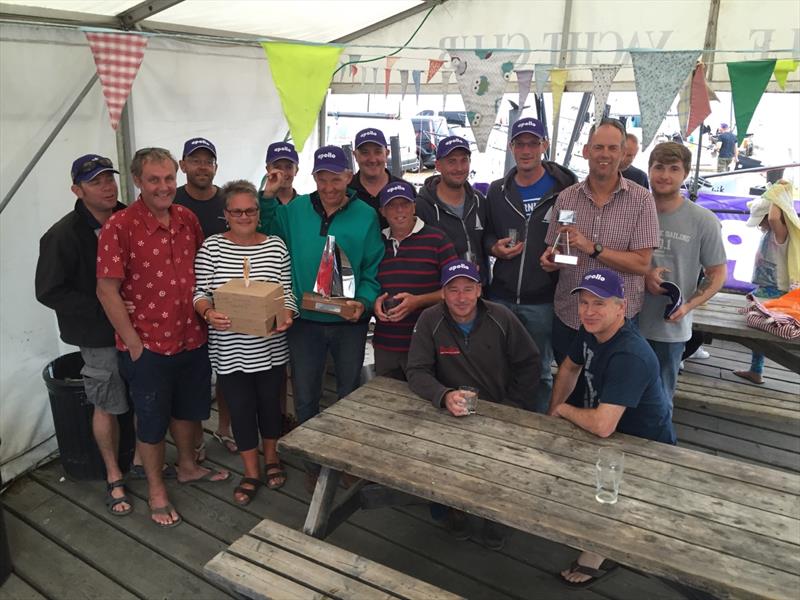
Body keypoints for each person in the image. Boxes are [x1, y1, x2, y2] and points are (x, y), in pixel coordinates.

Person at [96, 147, 229, 529]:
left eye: (169, 178)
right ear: (137, 180)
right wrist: (134, 344)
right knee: (151, 422)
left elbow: (203, 271)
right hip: (149, 345)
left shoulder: (187, 218)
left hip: (192, 337)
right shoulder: (119, 226)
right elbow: (107, 290)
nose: (163, 186)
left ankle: (187, 466)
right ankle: (156, 488)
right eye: (154, 179)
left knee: (189, 410)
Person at [548, 268, 675, 588]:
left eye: (599, 304)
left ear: (622, 307)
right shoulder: (590, 329)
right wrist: (551, 414)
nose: (589, 311)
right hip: (606, 430)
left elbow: (603, 426)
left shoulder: (629, 353)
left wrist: (564, 409)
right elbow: (568, 368)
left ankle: (596, 554)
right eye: (584, 303)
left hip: (644, 445)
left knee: (606, 496)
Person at [268, 145, 383, 489]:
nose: (330, 186)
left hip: (349, 322)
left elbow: (373, 268)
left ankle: (343, 458)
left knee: (348, 393)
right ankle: (313, 462)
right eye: (323, 178)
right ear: (313, 177)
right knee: (305, 395)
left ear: (350, 177)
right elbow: (264, 228)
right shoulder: (295, 210)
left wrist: (363, 301)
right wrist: (267, 194)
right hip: (304, 322)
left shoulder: (366, 215)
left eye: (337, 178)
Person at [407, 259, 541, 550]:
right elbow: (416, 370)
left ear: (480, 290)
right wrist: (443, 395)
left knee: (500, 469)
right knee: (443, 462)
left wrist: (511, 406)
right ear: (442, 292)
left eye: (468, 288)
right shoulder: (430, 319)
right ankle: (455, 509)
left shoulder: (501, 317)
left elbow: (530, 364)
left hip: (500, 409)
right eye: (453, 290)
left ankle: (496, 518)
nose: (461, 297)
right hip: (450, 411)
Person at [35, 154, 135, 517]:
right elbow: (48, 291)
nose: (107, 186)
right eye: (96, 181)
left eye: (110, 178)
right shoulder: (61, 235)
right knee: (106, 398)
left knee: (141, 391)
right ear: (77, 190)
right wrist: (106, 306)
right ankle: (113, 474)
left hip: (140, 328)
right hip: (97, 335)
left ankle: (139, 459)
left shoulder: (131, 217)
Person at [193, 180, 297, 505]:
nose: (244, 216)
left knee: (270, 405)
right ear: (226, 214)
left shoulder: (275, 246)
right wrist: (209, 312)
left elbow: (287, 293)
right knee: (240, 410)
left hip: (270, 348)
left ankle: (272, 459)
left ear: (257, 212)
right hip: (229, 349)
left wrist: (287, 314)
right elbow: (199, 293)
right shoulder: (211, 248)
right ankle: (251, 471)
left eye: (250, 210)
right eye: (236, 211)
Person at [540, 118, 660, 363]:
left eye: (612, 148)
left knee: (612, 394)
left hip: (617, 323)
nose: (604, 154)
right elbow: (558, 249)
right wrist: (552, 259)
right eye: (598, 147)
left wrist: (591, 248)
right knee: (567, 388)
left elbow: (641, 264)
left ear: (624, 153)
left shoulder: (642, 200)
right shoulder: (566, 198)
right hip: (571, 314)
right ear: (586, 151)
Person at [484, 117, 577, 412]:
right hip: (500, 297)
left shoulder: (566, 191)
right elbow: (486, 234)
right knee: (496, 366)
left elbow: (571, 242)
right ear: (511, 147)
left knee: (538, 372)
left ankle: (535, 427)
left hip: (542, 301)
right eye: (520, 144)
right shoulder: (497, 191)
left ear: (544, 146)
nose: (526, 150)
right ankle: (498, 422)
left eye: (533, 143)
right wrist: (493, 248)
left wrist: (557, 262)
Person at [639, 142, 727, 405]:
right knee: (621, 393)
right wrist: (645, 274)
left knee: (661, 398)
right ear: (649, 170)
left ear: (685, 173)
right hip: (627, 320)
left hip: (670, 327)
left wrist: (688, 306)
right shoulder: (633, 211)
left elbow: (717, 273)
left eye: (674, 169)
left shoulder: (704, 220)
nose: (665, 175)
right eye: (659, 167)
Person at [174, 137, 237, 457]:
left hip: (226, 299)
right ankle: (196, 439)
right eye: (194, 160)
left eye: (208, 161)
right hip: (183, 301)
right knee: (194, 373)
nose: (202, 166)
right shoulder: (169, 199)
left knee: (226, 370)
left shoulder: (228, 201)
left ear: (216, 166)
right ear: (182, 165)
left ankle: (225, 428)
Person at [373, 180, 457, 379]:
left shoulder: (437, 240)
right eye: (392, 205)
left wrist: (418, 301)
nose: (399, 210)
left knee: (428, 401)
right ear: (382, 212)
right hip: (386, 343)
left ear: (414, 207)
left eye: (405, 203)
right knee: (383, 401)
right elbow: (366, 283)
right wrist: (373, 302)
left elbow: (455, 290)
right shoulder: (376, 242)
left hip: (428, 343)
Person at [734, 197, 790, 384]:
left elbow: (774, 218)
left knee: (756, 324)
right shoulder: (768, 233)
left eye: (761, 221)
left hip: (775, 290)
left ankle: (757, 369)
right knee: (756, 326)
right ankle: (756, 369)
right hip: (766, 288)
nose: (759, 225)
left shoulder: (780, 234)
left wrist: (777, 193)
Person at [416, 136, 488, 279]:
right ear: (438, 165)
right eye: (451, 162)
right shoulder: (421, 206)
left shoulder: (478, 200)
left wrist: (495, 247)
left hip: (477, 290)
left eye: (464, 160)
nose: (459, 168)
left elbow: (488, 238)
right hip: (440, 292)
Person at [349, 128, 407, 225]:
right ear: (355, 155)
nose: (372, 159)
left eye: (378, 152)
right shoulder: (345, 191)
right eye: (365, 153)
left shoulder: (406, 190)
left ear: (387, 154)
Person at [257, 142, 300, 233]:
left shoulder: (306, 205)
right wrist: (268, 197)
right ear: (268, 169)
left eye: (289, 167)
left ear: (296, 170)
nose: (283, 173)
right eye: (277, 167)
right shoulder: (253, 202)